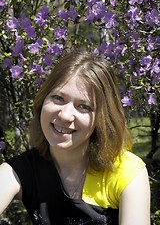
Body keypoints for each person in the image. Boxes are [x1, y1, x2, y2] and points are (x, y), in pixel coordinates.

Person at [0, 50, 150, 225]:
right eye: (58, 98)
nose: (65, 115)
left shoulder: (127, 173)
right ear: (43, 101)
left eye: (84, 107)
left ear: (102, 118)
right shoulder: (19, 171)